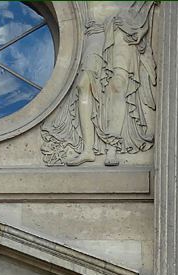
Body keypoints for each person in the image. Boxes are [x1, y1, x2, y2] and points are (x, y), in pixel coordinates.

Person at [41, 1, 157, 167]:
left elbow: (145, 6)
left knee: (118, 85)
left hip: (121, 29)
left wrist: (141, 30)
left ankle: (112, 146)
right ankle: (88, 149)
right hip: (94, 30)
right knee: (83, 84)